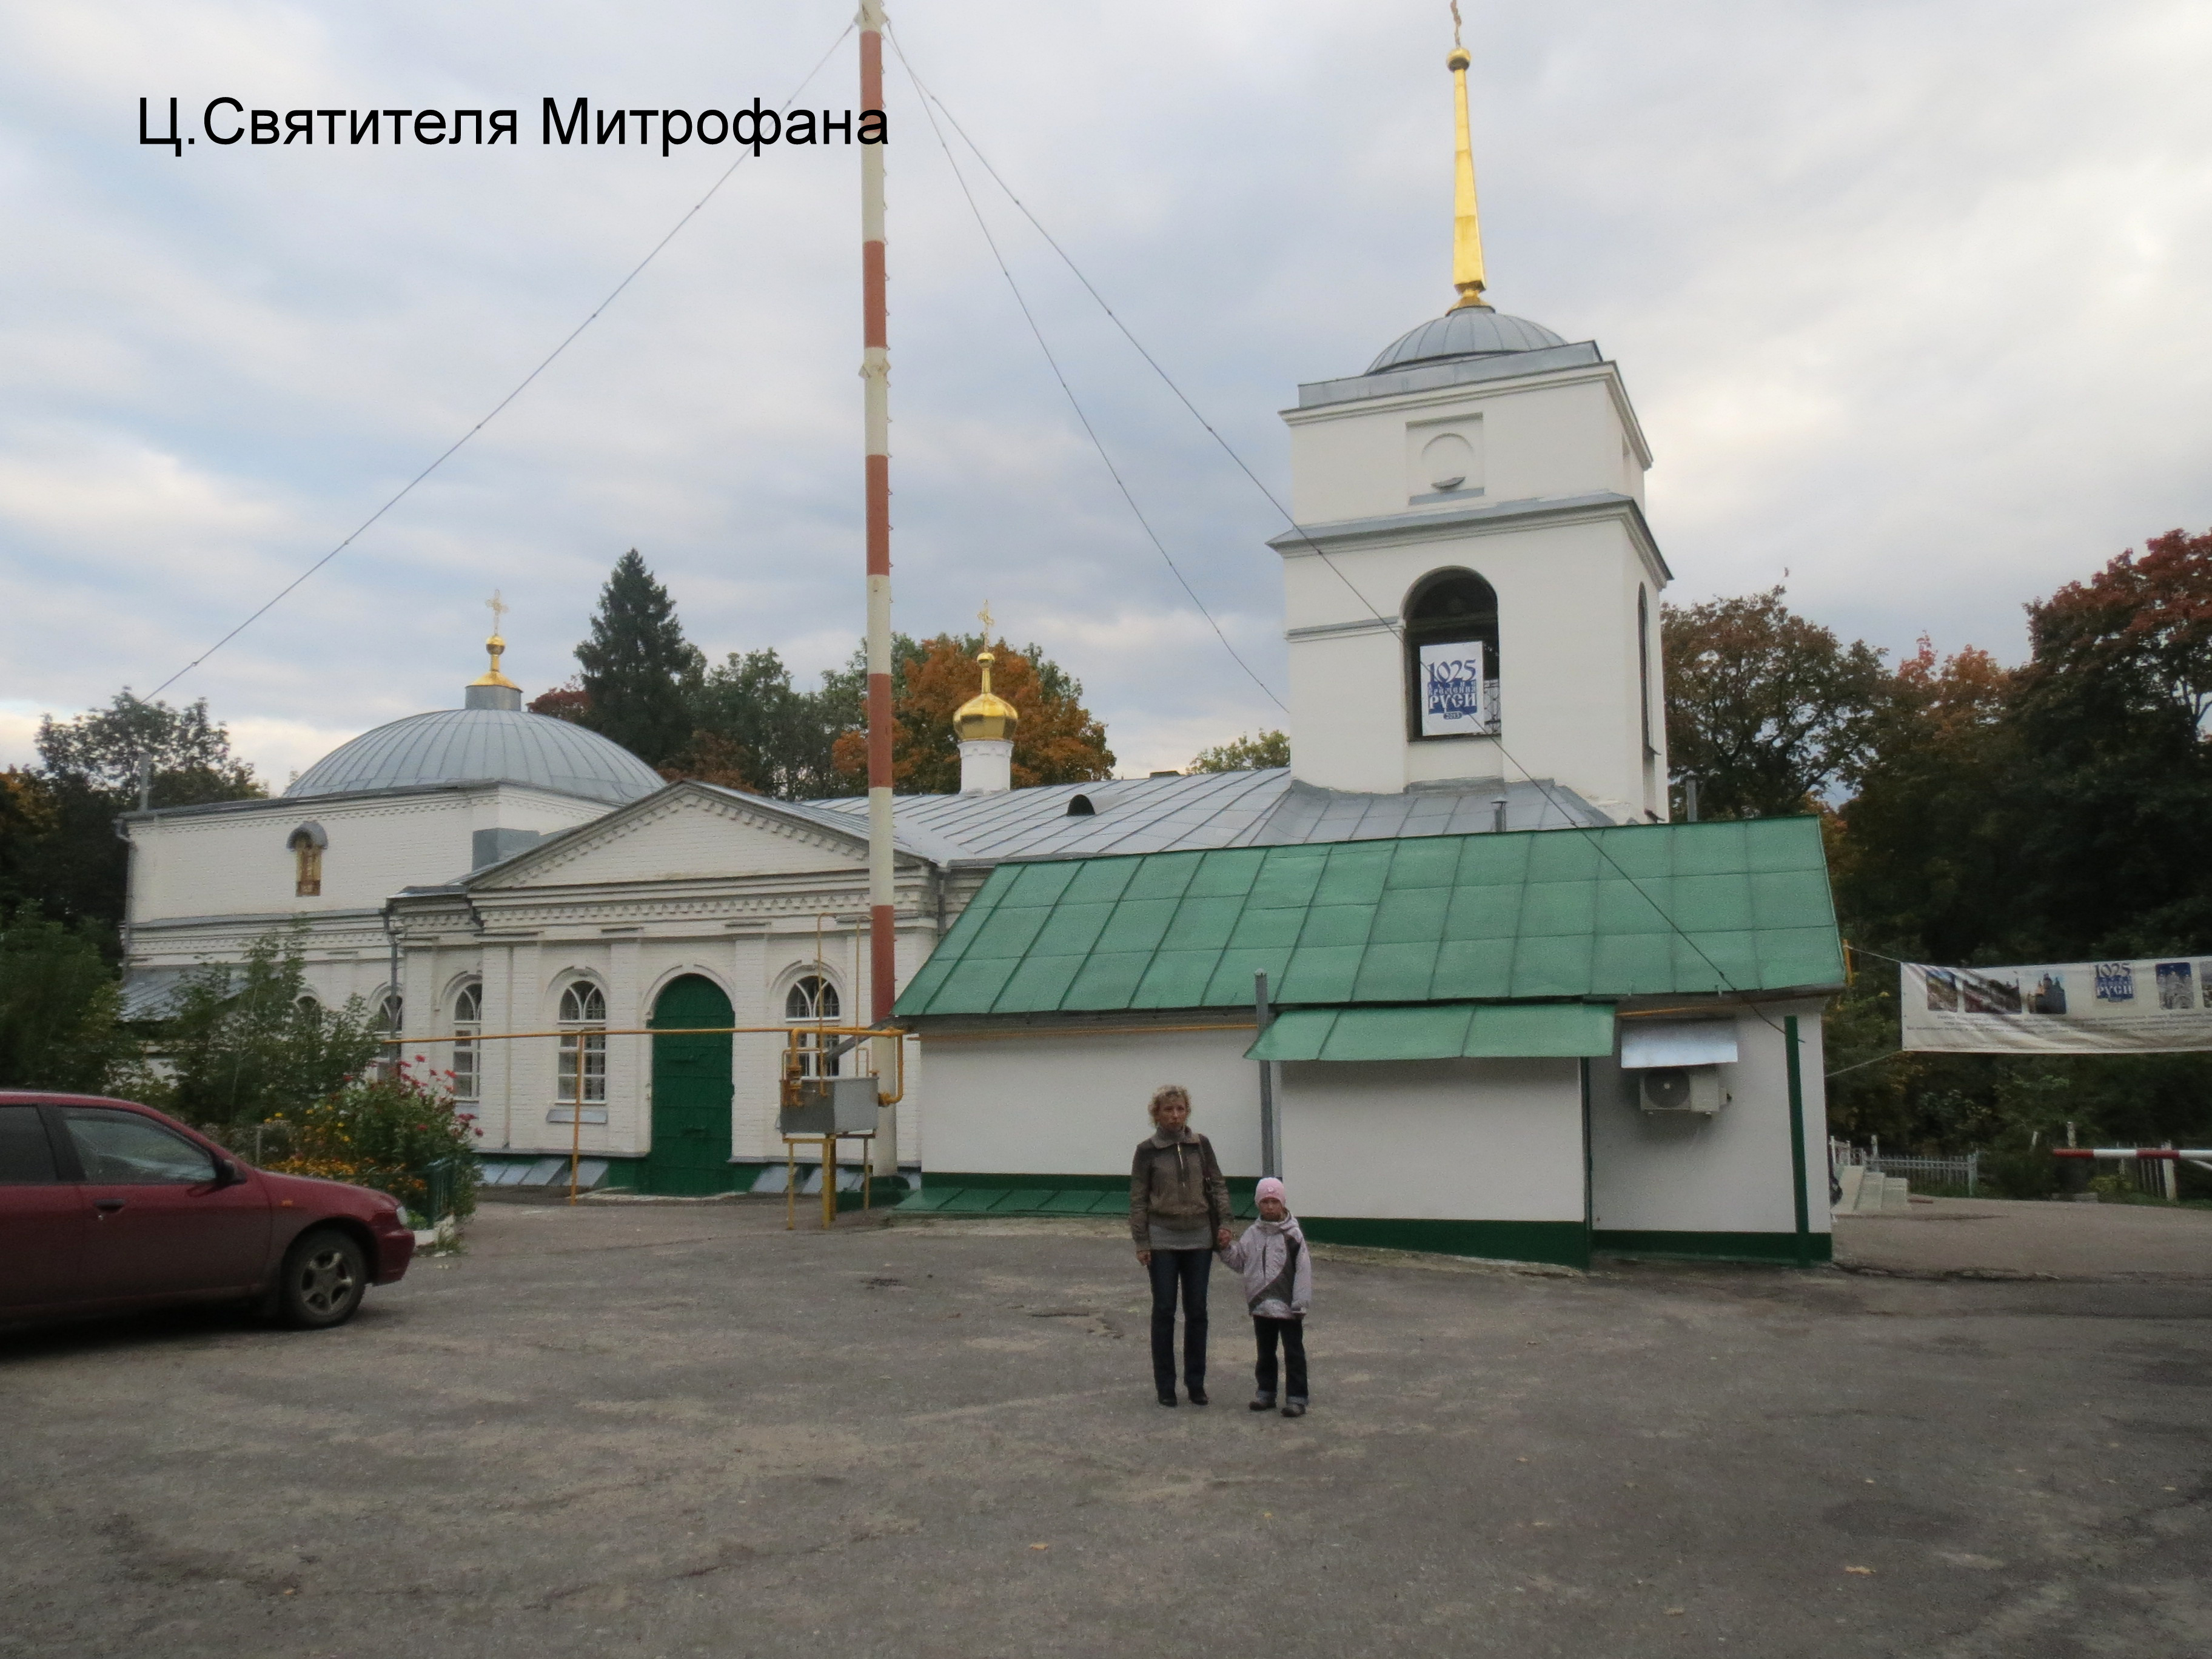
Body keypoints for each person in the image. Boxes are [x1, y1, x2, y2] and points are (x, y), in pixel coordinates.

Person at [1129, 1084, 1233, 1407]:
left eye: (1180, 1109)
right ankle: (1165, 1386)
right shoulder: (1147, 1151)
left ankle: (1196, 1383)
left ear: (1187, 1112)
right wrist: (1142, 1241)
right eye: (1168, 1110)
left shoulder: (1200, 1145)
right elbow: (1138, 1199)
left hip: (1199, 1237)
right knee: (1163, 1311)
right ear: (1156, 1114)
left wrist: (1226, 1223)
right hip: (1162, 1239)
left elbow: (1217, 1184)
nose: (1175, 1116)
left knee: (1197, 1311)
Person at [1219, 1176, 1312, 1418]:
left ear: (1282, 1204)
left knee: (1293, 1353)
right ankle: (1266, 1392)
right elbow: (1240, 1262)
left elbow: (1303, 1271)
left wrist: (1300, 1302)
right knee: (1265, 1352)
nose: (1270, 1206)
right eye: (1265, 1202)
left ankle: (1297, 1397)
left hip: (1289, 1306)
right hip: (1261, 1305)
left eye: (1274, 1201)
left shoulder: (1293, 1236)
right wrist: (1226, 1248)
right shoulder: (1252, 1234)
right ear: (1258, 1204)